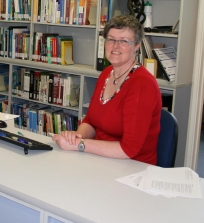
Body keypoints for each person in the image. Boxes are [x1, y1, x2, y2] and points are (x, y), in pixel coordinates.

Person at [52, 15, 162, 165]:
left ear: (137, 46)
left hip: (133, 168)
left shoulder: (142, 84)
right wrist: (76, 136)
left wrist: (80, 144)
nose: (115, 46)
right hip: (100, 159)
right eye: (111, 39)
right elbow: (91, 121)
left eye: (124, 41)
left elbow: (129, 150)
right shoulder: (107, 73)